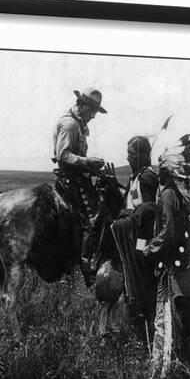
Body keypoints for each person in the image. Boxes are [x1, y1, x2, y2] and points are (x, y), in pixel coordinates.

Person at [144, 147, 190, 379]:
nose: (158, 175)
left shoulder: (168, 196)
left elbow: (169, 233)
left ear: (168, 173)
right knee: (185, 319)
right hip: (183, 264)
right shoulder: (183, 196)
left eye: (161, 170)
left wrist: (150, 247)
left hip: (175, 268)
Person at [53, 87, 107, 287]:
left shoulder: (79, 124)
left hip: (77, 177)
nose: (94, 115)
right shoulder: (69, 124)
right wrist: (87, 162)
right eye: (92, 109)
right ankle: (87, 269)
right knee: (90, 221)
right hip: (70, 180)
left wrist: (91, 167)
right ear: (82, 105)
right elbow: (63, 156)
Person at [111, 136, 158, 348]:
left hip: (141, 242)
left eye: (131, 153)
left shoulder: (147, 177)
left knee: (142, 287)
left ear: (142, 155)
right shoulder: (136, 176)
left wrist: (128, 219)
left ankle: (148, 337)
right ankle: (139, 335)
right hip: (132, 239)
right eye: (128, 153)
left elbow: (148, 212)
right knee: (133, 287)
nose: (128, 157)